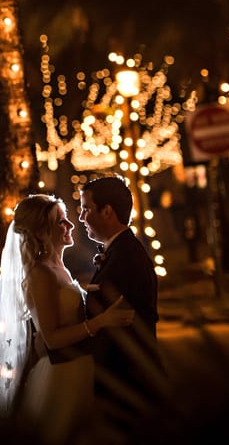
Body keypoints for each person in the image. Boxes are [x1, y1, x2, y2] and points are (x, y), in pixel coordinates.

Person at [0, 193, 135, 443]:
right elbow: (51, 338)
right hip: (61, 376)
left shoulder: (58, 268)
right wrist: (101, 321)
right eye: (61, 221)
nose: (71, 225)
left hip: (79, 370)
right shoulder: (40, 273)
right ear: (42, 232)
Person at [79, 174, 166, 431]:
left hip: (130, 376)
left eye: (86, 209)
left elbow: (115, 317)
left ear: (107, 212)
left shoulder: (127, 257)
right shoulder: (120, 251)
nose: (82, 218)